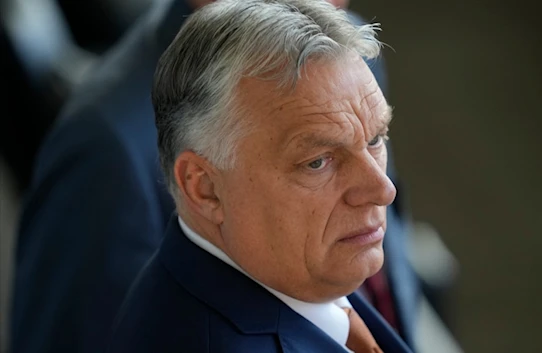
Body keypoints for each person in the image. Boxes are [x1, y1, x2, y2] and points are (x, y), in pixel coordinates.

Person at [11, 0, 418, 352]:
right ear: (202, 187)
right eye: (316, 162)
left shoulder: (337, 48)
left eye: (376, 138)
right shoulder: (106, 145)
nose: (384, 191)